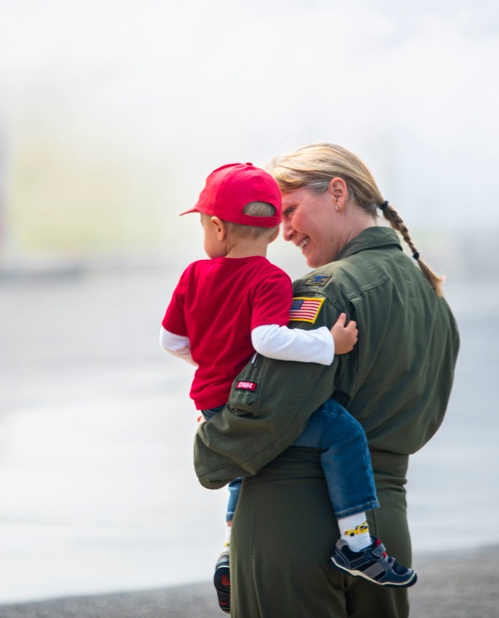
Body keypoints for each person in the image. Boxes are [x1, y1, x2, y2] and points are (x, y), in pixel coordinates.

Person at [193, 144, 461, 618]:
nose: (284, 230)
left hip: (294, 522)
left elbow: (267, 411)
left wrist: (210, 447)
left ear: (338, 192)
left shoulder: (326, 290)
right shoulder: (432, 298)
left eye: (291, 210)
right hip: (385, 526)